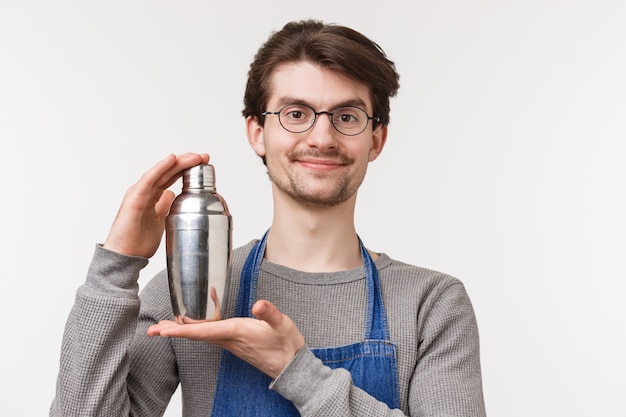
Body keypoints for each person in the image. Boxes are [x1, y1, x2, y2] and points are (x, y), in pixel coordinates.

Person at [50, 19, 486, 416]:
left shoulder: (431, 304)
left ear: (376, 139)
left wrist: (298, 372)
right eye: (296, 114)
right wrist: (116, 265)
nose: (321, 137)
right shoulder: (190, 291)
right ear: (257, 132)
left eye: (346, 117)